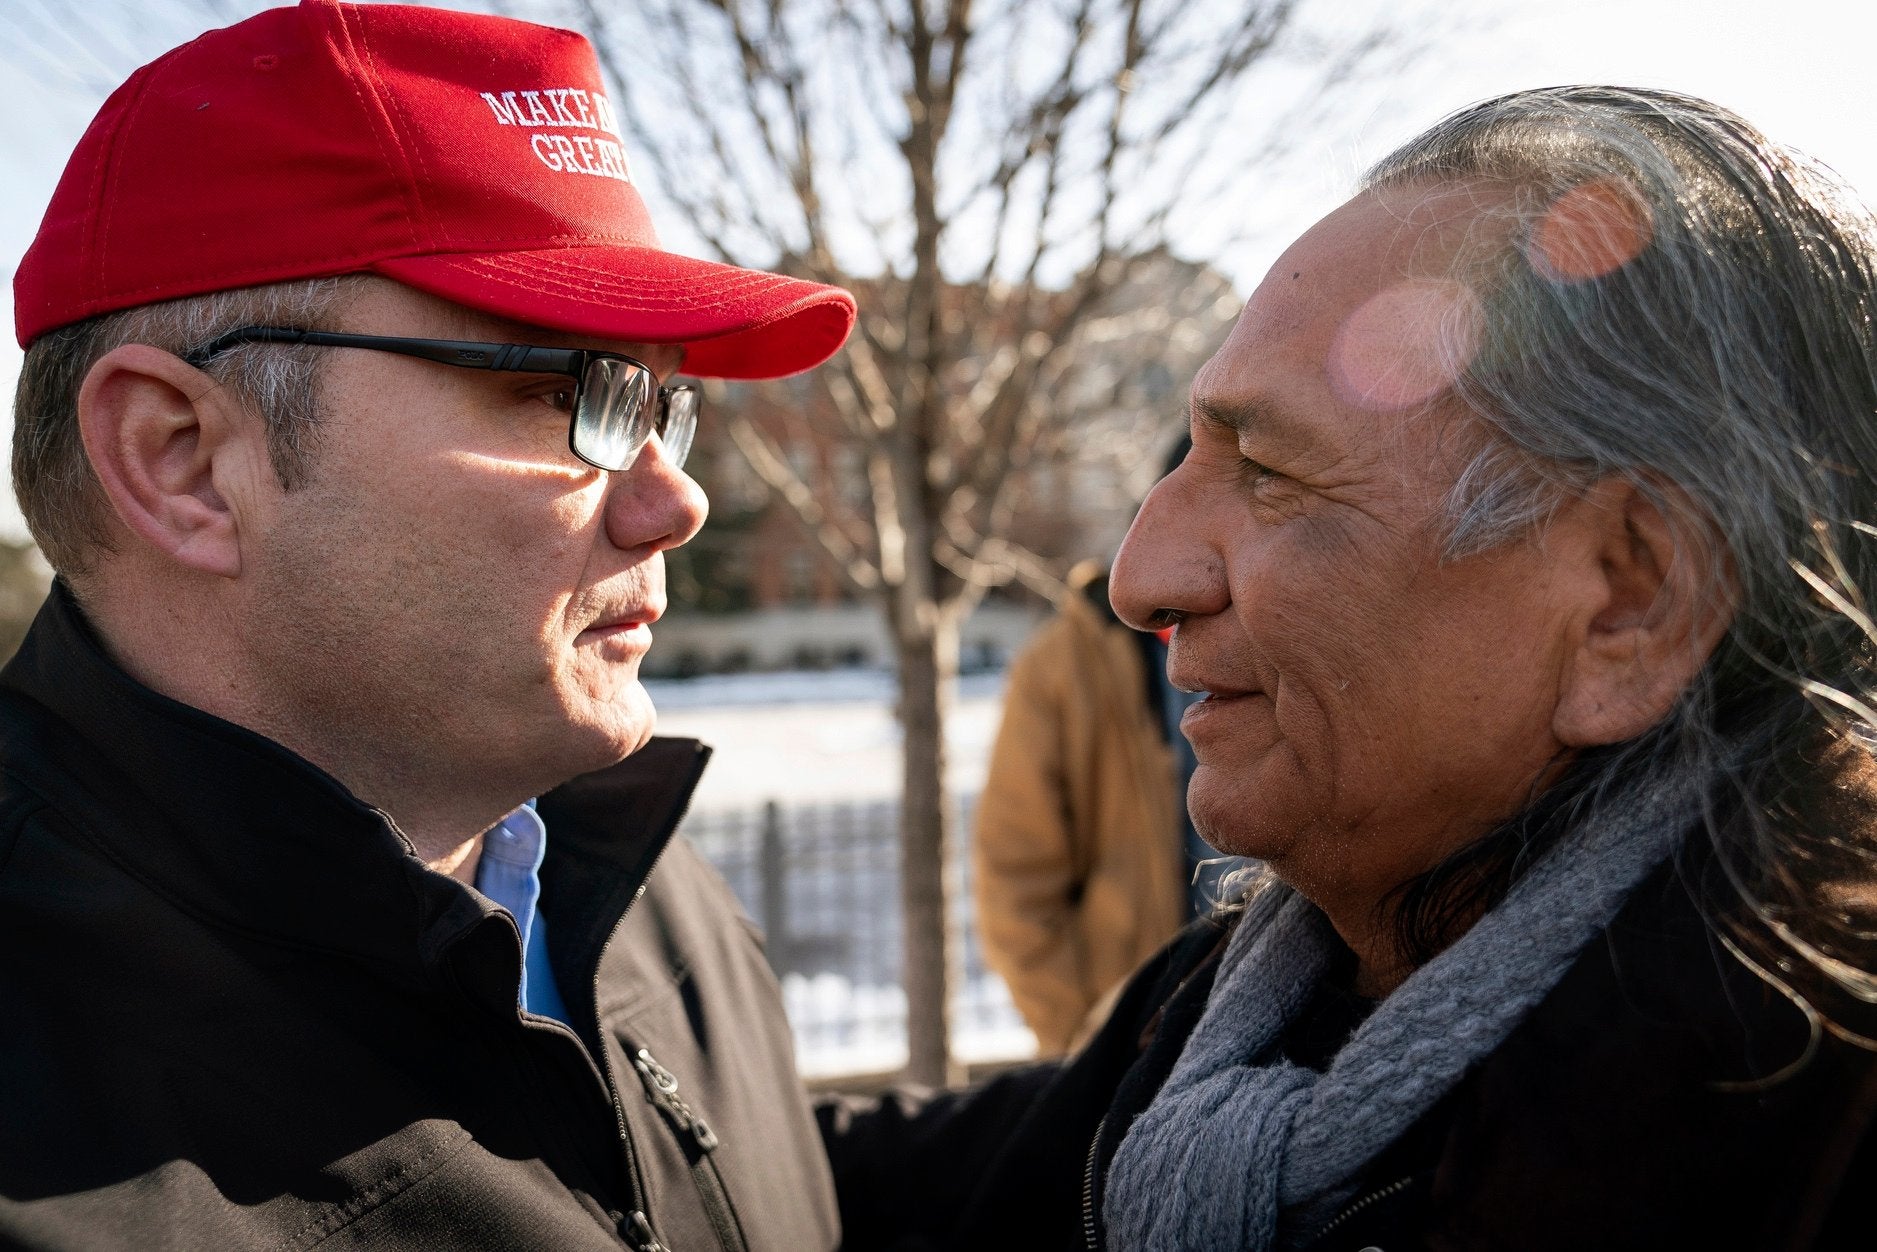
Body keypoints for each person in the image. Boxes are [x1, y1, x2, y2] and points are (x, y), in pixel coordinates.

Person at [819, 86, 1877, 1251]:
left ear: (1630, 602)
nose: (1138, 578)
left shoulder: (1813, 1127)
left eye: (1269, 470)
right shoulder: (1226, 1009)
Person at [0, 4, 856, 1250]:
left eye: (665, 407)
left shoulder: (601, 861)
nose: (676, 500)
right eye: (566, 392)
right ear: (180, 461)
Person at [973, 440, 1243, 1057]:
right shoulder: (1061, 668)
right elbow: (1016, 879)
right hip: (1134, 1040)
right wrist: (1086, 1044)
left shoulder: (1283, 649)